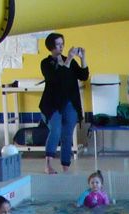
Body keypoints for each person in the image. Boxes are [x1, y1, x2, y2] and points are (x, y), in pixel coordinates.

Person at [40, 32, 88, 174]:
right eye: (58, 44)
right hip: (53, 103)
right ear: (51, 46)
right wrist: (68, 60)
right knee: (55, 130)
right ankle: (48, 164)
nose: (61, 47)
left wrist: (83, 58)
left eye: (62, 44)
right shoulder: (46, 63)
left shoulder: (70, 61)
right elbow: (56, 77)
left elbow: (83, 75)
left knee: (67, 134)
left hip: (70, 102)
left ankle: (65, 166)